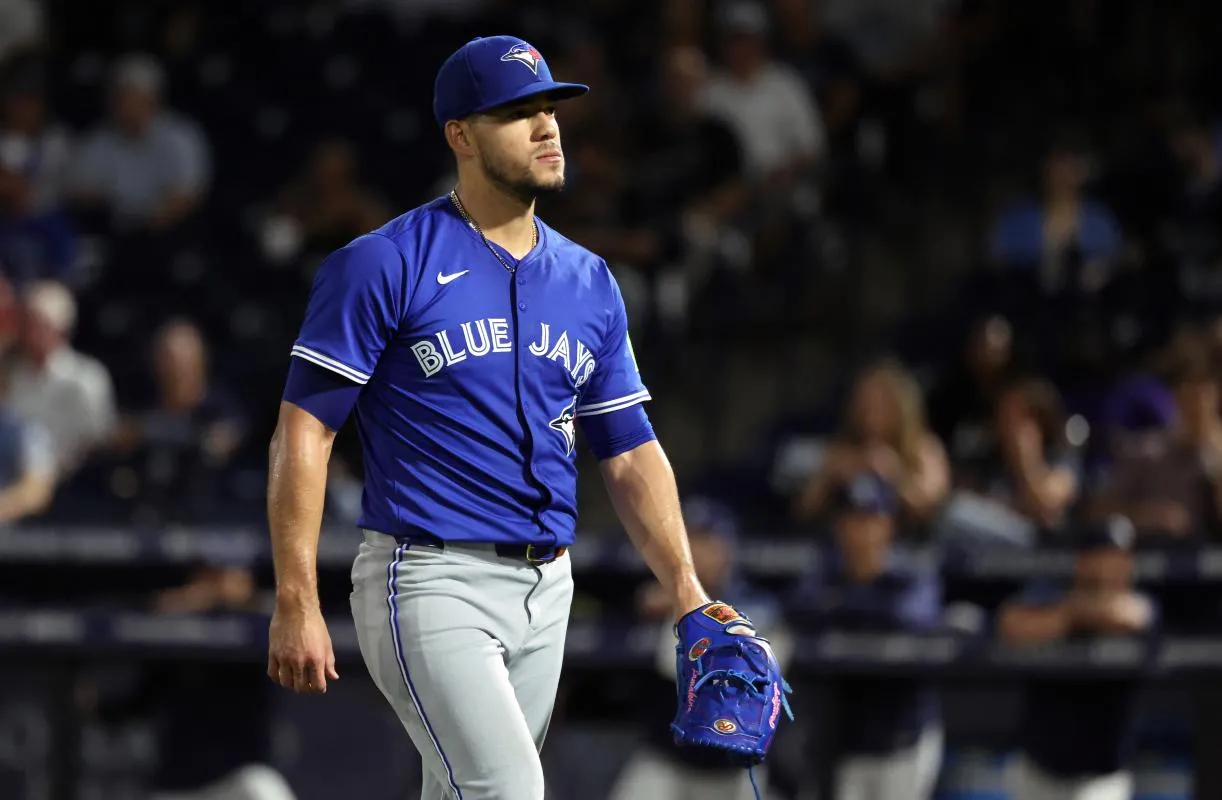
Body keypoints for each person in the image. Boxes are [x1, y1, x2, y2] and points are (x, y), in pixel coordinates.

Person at [265, 35, 731, 800]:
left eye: (550, 108)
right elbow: (304, 430)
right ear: (461, 135)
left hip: (548, 586)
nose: (547, 127)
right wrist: (296, 597)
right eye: (519, 113)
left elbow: (627, 449)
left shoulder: (589, 281)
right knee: (507, 790)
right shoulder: (384, 261)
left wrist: (686, 588)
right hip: (428, 575)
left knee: (464, 793)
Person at [609, 496, 790, 800]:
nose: (696, 553)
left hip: (735, 771)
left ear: (726, 549)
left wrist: (686, 608)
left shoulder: (758, 605)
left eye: (706, 541)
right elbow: (666, 666)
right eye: (689, 540)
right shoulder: (660, 599)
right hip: (669, 762)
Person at [789, 473, 944, 800]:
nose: (859, 530)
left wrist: (845, 604)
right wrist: (866, 605)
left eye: (869, 518)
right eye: (851, 519)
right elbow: (799, 610)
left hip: (903, 737)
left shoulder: (911, 575)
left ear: (889, 525)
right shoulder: (824, 573)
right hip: (846, 742)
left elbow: (912, 618)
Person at [997, 517, 1157, 800]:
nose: (1111, 565)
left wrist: (1073, 615)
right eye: (1102, 555)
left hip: (1100, 779)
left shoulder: (1140, 604)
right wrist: (1071, 615)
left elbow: (1129, 617)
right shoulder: (1050, 593)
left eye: (1119, 556)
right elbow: (1011, 624)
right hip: (1039, 770)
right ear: (1083, 560)